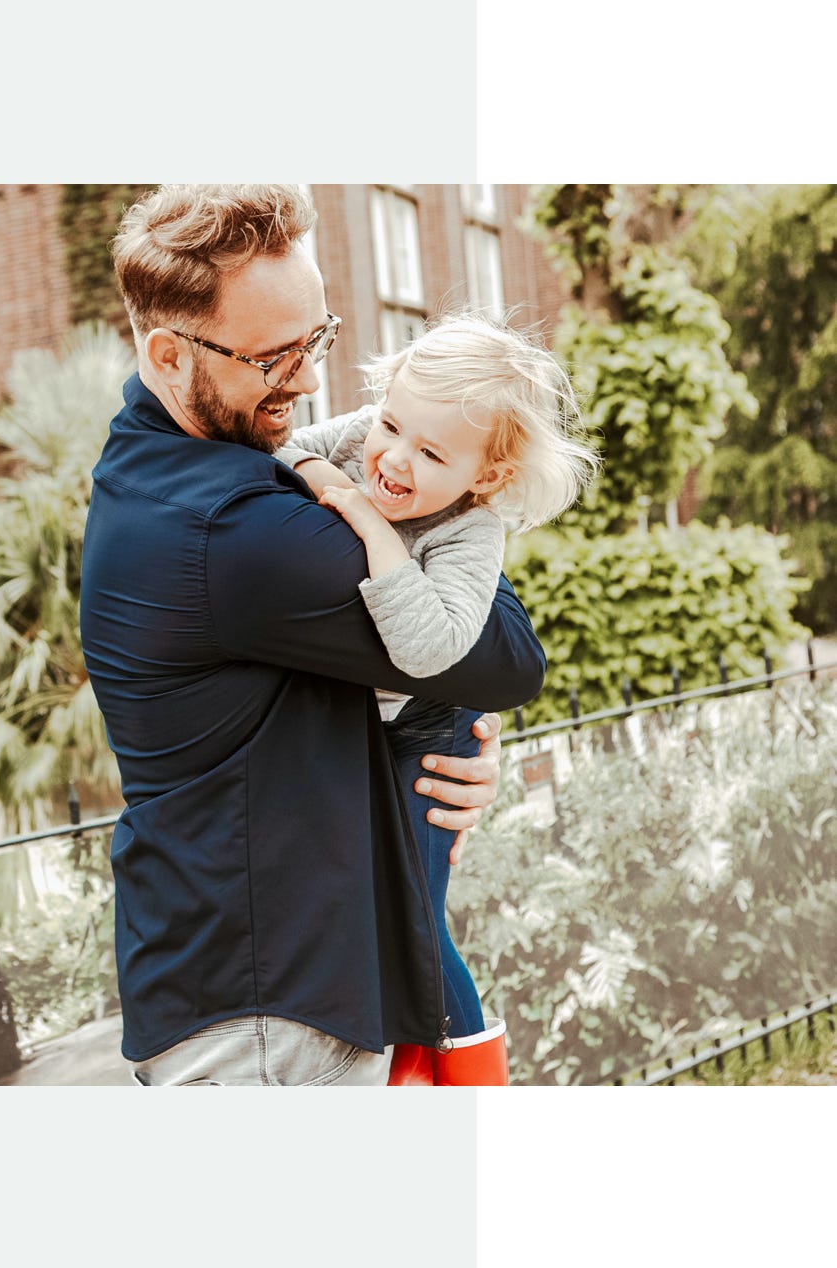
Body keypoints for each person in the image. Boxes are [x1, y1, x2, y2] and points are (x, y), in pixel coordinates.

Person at [79, 184, 546, 1086]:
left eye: (317, 338)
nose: (307, 377)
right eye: (274, 355)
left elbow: (460, 649)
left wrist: (451, 739)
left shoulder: (154, 463)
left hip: (250, 986)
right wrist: (458, 703)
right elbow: (503, 656)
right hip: (267, 1021)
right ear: (168, 356)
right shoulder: (232, 527)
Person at [274, 311, 599, 1084]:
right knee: (365, 905)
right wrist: (326, 472)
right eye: (391, 425)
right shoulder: (370, 435)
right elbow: (275, 450)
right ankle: (404, 1064)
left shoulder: (472, 530)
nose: (391, 459)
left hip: (429, 730)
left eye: (430, 453)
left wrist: (359, 515)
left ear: (484, 478)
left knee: (412, 914)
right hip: (364, 722)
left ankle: (468, 1073)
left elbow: (429, 647)